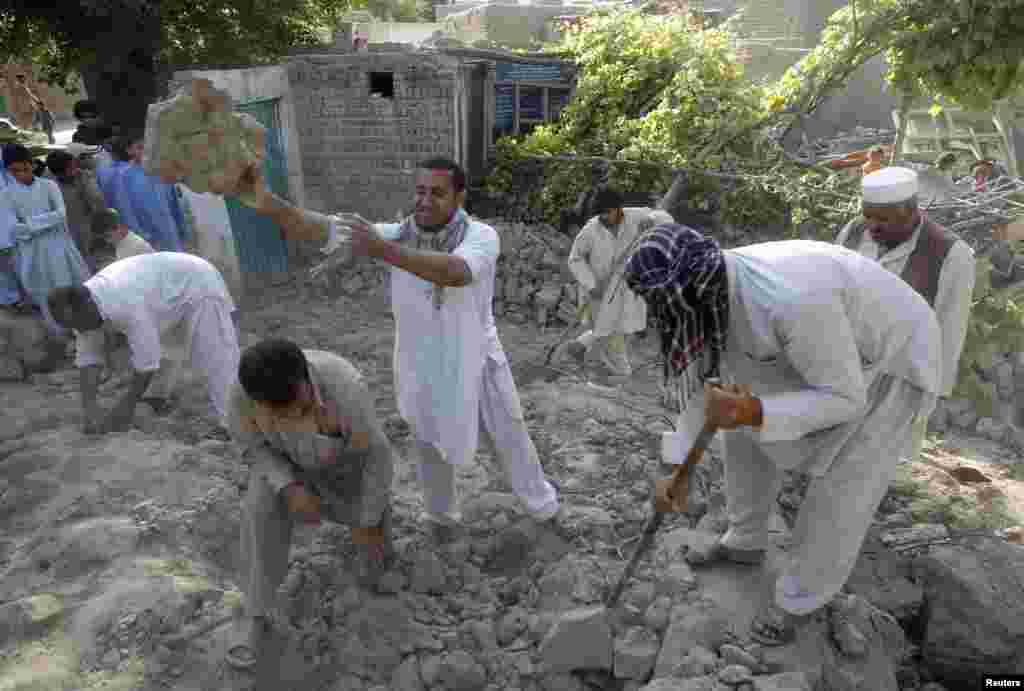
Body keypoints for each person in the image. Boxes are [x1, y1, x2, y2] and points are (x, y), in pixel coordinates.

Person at [627, 223, 941, 646]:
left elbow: (845, 399)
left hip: (893, 356)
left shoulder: (789, 300)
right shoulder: (710, 287)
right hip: (824, 350)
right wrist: (680, 468)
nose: (664, 317)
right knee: (738, 430)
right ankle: (745, 540)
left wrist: (755, 409)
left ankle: (800, 599)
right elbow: (703, 387)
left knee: (844, 483)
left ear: (699, 292)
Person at [243, 157, 560, 540]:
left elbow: (455, 273)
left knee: (510, 435)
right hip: (419, 363)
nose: (424, 201)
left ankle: (544, 511)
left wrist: (381, 250)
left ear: (460, 196)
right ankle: (441, 518)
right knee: (426, 443)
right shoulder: (397, 234)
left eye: (437, 193)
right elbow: (321, 228)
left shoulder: (480, 236)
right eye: (420, 191)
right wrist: (269, 203)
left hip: (476, 359)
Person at [224, 339, 396, 669]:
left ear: (307, 377)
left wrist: (368, 520)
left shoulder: (345, 387)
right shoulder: (242, 395)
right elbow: (254, 449)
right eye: (278, 413)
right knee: (261, 504)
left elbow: (375, 457)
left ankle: (374, 543)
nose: (289, 417)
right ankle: (255, 614)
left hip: (346, 471)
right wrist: (289, 487)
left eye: (297, 408)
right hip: (290, 469)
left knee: (376, 564)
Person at [836, 167, 975, 465]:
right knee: (832, 454)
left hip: (899, 377)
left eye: (883, 219)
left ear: (912, 211)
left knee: (871, 463)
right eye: (868, 215)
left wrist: (931, 395)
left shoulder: (951, 254)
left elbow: (950, 330)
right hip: (845, 366)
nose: (872, 226)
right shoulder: (853, 231)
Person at [47, 252, 239, 433]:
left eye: (77, 324)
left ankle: (232, 425)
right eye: (71, 326)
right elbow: (88, 358)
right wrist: (89, 409)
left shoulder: (125, 305)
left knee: (215, 357)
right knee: (165, 349)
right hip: (164, 291)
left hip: (197, 282)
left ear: (87, 307)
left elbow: (147, 364)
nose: (78, 331)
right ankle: (158, 397)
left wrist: (126, 406)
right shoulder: (81, 309)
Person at [557, 186, 674, 379]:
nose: (604, 217)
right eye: (600, 214)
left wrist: (652, 220)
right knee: (610, 331)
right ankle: (620, 371)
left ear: (618, 208)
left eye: (607, 212)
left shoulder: (637, 216)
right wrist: (591, 284)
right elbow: (575, 258)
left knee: (618, 329)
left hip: (628, 287)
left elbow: (665, 217)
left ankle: (579, 347)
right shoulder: (592, 228)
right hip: (600, 289)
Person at [2, 144, 91, 340]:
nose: (21, 174)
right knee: (47, 297)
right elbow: (16, 230)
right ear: (8, 171)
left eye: (25, 168)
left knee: (73, 289)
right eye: (14, 171)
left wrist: (30, 224)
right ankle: (64, 339)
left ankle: (87, 333)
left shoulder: (49, 186)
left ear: (32, 165)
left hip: (60, 248)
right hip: (33, 255)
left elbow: (60, 215)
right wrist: (44, 221)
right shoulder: (5, 195)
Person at [99, 132, 185, 252]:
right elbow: (125, 209)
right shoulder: (123, 176)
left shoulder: (161, 170)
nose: (146, 151)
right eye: (140, 148)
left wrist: (180, 226)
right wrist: (142, 235)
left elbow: (174, 203)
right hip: (148, 237)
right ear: (129, 151)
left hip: (170, 230)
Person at [46, 150, 107, 264]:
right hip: (67, 233)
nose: (75, 169)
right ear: (58, 173)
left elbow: (98, 200)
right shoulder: (49, 186)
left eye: (74, 165)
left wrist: (86, 182)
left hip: (89, 227)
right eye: (70, 168)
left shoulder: (84, 176)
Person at [0, 145, 29, 312]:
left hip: (14, 230)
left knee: (14, 265)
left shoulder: (10, 176)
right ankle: (11, 299)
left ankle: (15, 298)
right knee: (6, 267)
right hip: (8, 231)